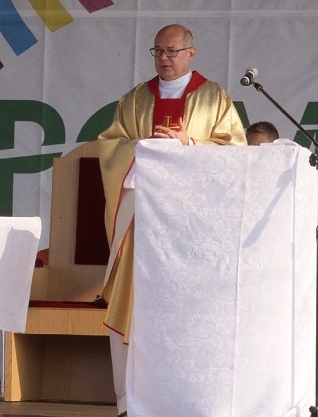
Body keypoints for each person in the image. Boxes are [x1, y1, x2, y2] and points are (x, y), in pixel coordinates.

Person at [97, 24, 247, 416]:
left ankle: (187, 397)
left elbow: (236, 152)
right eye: (158, 51)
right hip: (142, 225)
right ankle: (131, 400)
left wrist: (188, 144)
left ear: (191, 53)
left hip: (192, 229)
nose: (164, 58)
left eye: (172, 51)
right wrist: (145, 147)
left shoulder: (214, 98)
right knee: (134, 304)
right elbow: (110, 147)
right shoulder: (134, 100)